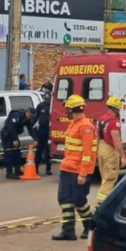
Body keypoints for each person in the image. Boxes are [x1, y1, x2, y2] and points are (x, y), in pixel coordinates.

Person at [52, 95, 97, 241]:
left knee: (79, 200)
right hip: (67, 168)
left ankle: (89, 226)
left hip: (78, 171)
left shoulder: (86, 127)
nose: (66, 111)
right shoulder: (73, 124)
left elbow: (87, 153)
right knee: (65, 199)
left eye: (67, 109)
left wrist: (83, 174)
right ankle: (68, 231)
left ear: (72, 110)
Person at [95, 96, 126, 207]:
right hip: (110, 150)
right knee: (110, 178)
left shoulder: (100, 119)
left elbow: (97, 137)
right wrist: (123, 157)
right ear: (115, 109)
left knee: (105, 177)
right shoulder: (114, 122)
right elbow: (116, 141)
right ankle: (102, 203)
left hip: (101, 148)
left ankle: (104, 200)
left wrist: (96, 152)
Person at [0, 106, 35, 179]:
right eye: (30, 115)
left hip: (14, 135)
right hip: (7, 135)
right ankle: (9, 173)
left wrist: (35, 139)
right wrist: (15, 139)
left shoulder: (26, 119)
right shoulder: (17, 115)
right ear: (27, 112)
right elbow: (11, 127)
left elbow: (30, 129)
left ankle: (17, 171)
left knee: (17, 154)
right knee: (9, 154)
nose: (30, 117)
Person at [33, 93, 52, 175]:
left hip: (50, 131)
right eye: (46, 98)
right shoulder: (40, 106)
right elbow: (35, 118)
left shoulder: (53, 106)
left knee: (48, 151)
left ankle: (48, 168)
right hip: (41, 130)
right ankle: (36, 168)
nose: (47, 99)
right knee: (39, 151)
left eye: (49, 98)